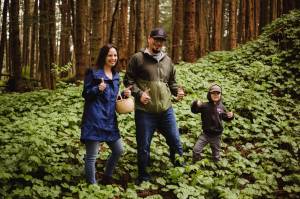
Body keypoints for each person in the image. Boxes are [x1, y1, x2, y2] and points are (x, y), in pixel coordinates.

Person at [124, 27, 185, 184]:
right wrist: (139, 94)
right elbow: (128, 81)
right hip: (145, 111)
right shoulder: (138, 58)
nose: (158, 43)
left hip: (166, 110)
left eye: (161, 41)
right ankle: (143, 176)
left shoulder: (168, 61)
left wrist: (177, 91)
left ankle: (179, 167)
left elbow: (171, 82)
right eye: (156, 39)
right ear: (149, 39)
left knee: (175, 141)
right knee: (144, 145)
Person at [80, 44, 131, 184]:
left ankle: (107, 177)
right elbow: (86, 94)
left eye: (115, 55)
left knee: (119, 150)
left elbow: (112, 98)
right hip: (94, 119)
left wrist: (123, 95)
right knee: (92, 156)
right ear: (103, 56)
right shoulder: (93, 72)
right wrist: (98, 88)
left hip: (109, 120)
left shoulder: (116, 76)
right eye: (110, 55)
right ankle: (92, 186)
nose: (113, 58)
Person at [191, 84, 234, 162]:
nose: (215, 95)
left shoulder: (222, 107)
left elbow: (226, 118)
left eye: (218, 93)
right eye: (213, 93)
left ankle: (216, 167)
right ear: (209, 94)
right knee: (196, 150)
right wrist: (196, 104)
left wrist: (230, 116)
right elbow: (194, 111)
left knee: (216, 154)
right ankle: (196, 164)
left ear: (220, 95)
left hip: (216, 136)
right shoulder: (204, 106)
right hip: (205, 134)